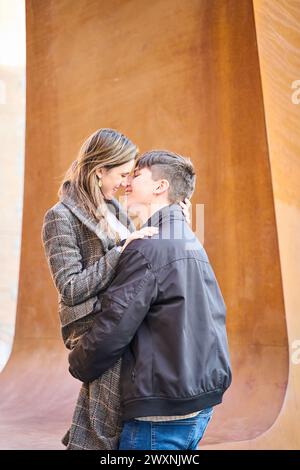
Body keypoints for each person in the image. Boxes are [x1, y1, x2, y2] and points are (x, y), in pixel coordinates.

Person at [68, 150, 232, 451]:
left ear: (161, 187)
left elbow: (113, 326)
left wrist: (78, 362)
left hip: (162, 415)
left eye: (137, 175)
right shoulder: (185, 236)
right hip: (197, 402)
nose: (127, 183)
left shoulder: (148, 247)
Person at [41, 129, 190, 450]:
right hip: (94, 327)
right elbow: (70, 288)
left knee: (104, 421)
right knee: (102, 426)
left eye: (131, 174)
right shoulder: (60, 217)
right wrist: (121, 251)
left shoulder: (116, 208)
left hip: (121, 318)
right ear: (99, 171)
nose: (126, 182)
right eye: (122, 173)